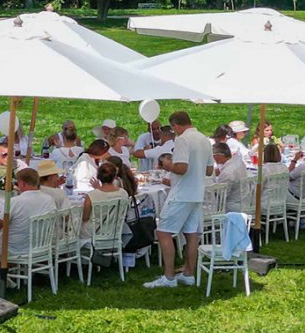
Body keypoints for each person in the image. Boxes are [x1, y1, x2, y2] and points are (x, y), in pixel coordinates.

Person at [145, 111, 210, 289]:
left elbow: (181, 168)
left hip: (181, 193)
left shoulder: (182, 139)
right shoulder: (204, 139)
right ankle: (189, 274)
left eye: (173, 128)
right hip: (197, 192)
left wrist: (168, 165)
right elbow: (210, 170)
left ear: (176, 125)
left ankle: (169, 277)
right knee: (192, 234)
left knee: (163, 232)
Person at [0, 167, 57, 261]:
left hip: (15, 249)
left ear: (22, 183)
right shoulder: (49, 199)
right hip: (40, 246)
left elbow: (0, 224)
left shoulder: (15, 202)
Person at [82, 162, 131, 239]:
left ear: (98, 176)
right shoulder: (123, 193)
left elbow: (85, 218)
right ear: (114, 176)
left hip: (94, 232)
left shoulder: (92, 195)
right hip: (114, 229)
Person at [211, 142, 250, 212]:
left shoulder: (227, 173)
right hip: (245, 200)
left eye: (213, 156)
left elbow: (221, 196)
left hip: (233, 206)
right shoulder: (238, 161)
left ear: (218, 156)